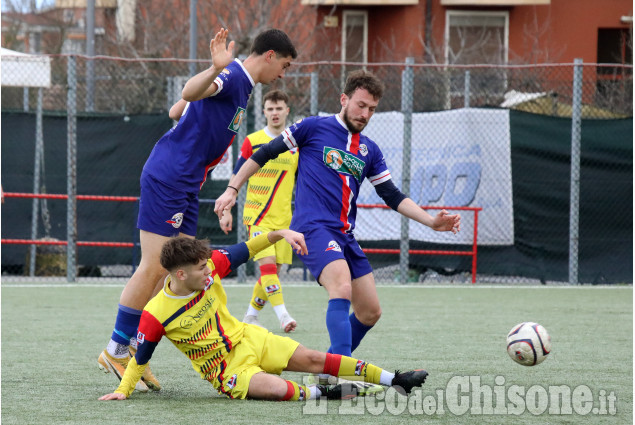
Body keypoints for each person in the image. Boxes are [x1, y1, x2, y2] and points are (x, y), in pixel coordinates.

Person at [214, 70, 461, 370]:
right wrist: (231, 190)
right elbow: (264, 152)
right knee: (341, 288)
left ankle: (329, 369)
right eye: (360, 105)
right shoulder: (313, 127)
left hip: (345, 234)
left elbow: (392, 195)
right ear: (344, 99)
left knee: (370, 311)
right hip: (312, 229)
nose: (365, 113)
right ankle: (344, 376)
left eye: (372, 109)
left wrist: (432, 222)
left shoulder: (369, 150)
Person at [98, 28, 298, 392]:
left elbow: (179, 110)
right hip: (170, 176)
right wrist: (213, 69)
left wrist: (197, 111)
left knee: (178, 272)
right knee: (155, 265)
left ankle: (134, 351)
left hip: (187, 182)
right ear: (269, 55)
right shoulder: (234, 74)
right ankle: (115, 350)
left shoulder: (245, 84)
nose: (283, 74)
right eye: (284, 64)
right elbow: (187, 94)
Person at [98, 235, 428, 401]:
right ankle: (324, 394)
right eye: (201, 268)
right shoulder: (155, 314)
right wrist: (124, 390)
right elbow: (140, 357)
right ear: (180, 274)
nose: (208, 269)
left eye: (207, 263)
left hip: (250, 338)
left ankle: (395, 379)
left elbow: (248, 247)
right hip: (225, 370)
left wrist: (280, 233)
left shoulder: (209, 265)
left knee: (315, 358)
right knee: (276, 390)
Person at [219, 89, 298, 333]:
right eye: (270, 109)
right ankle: (283, 315)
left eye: (279, 108)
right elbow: (237, 176)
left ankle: (251, 315)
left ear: (287, 111)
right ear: (263, 112)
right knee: (268, 268)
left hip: (284, 218)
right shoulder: (252, 141)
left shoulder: (296, 144)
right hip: (257, 216)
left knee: (273, 273)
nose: (274, 113)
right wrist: (227, 209)